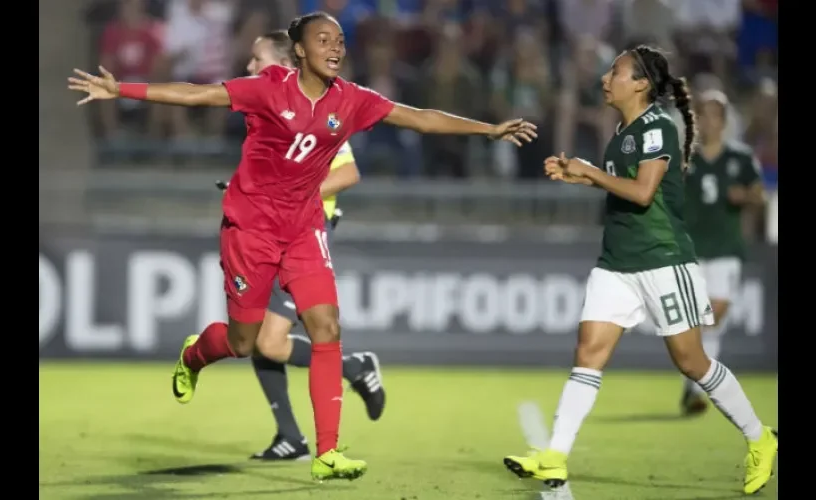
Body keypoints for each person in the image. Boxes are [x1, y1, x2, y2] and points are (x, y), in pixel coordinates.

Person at [69, 11, 536, 482]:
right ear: (299, 51)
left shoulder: (351, 100)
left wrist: (488, 129)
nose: (335, 48)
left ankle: (327, 451)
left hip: (304, 229)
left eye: (339, 40)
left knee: (327, 327)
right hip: (250, 229)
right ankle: (195, 354)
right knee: (244, 341)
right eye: (323, 40)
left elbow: (418, 119)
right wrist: (121, 89)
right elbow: (198, 94)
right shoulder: (270, 87)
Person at [501, 45, 777, 496]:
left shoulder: (657, 127)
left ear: (642, 84)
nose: (607, 78)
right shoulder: (622, 131)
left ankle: (759, 437)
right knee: (588, 350)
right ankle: (554, 454)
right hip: (618, 262)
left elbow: (645, 192)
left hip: (661, 258)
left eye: (616, 71)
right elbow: (623, 190)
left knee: (692, 361)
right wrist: (583, 176)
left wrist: (591, 171)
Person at [223, 32, 385, 461]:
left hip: (303, 234)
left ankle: (354, 367)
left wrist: (296, 192)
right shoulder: (275, 108)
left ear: (282, 63)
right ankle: (289, 437)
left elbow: (348, 174)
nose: (250, 68)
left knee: (271, 343)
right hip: (271, 227)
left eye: (256, 60)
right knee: (258, 334)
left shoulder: (320, 106)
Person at [679, 90, 765, 416]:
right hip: (693, 248)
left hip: (727, 247)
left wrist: (744, 195)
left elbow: (759, 196)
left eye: (716, 115)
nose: (709, 121)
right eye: (703, 115)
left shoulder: (740, 158)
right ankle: (697, 386)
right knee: (698, 319)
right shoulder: (686, 159)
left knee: (715, 315)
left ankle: (694, 384)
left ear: (724, 121)